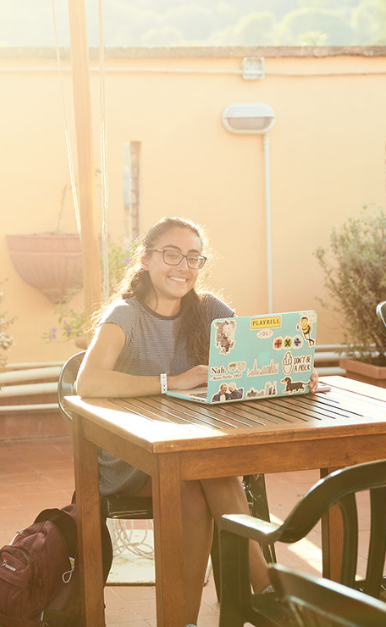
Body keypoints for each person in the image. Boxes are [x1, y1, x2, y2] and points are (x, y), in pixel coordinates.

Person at [75, 216, 318, 625]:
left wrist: (291, 373)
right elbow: (88, 381)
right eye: (172, 254)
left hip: (192, 454)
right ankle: (271, 589)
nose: (183, 267)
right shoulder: (125, 315)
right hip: (131, 458)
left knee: (198, 477)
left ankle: (181, 622)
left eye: (193, 258)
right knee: (208, 470)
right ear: (147, 258)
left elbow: (251, 365)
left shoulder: (210, 312)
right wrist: (172, 382)